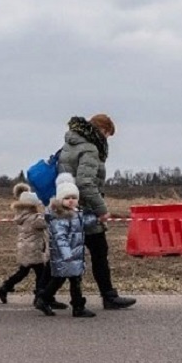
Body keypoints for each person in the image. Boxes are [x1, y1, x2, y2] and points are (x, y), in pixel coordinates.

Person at [57, 114, 136, 310]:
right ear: (102, 130)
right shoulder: (90, 149)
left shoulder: (70, 145)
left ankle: (43, 294)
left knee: (64, 253)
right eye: (108, 134)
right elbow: (85, 183)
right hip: (86, 209)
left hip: (68, 206)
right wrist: (101, 209)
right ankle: (108, 296)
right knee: (99, 252)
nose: (107, 139)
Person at [34, 173, 98, 318]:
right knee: (70, 280)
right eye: (67, 198)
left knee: (66, 279)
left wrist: (94, 219)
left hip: (74, 255)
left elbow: (82, 225)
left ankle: (46, 299)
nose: (71, 201)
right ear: (60, 199)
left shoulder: (75, 214)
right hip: (65, 255)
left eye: (73, 198)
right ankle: (77, 306)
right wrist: (66, 254)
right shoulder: (60, 217)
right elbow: (60, 237)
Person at [0, 182, 67, 309]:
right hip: (34, 249)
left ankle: (5, 286)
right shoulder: (34, 219)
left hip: (26, 248)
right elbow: (47, 221)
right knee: (42, 274)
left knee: (24, 272)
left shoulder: (22, 216)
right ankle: (41, 297)